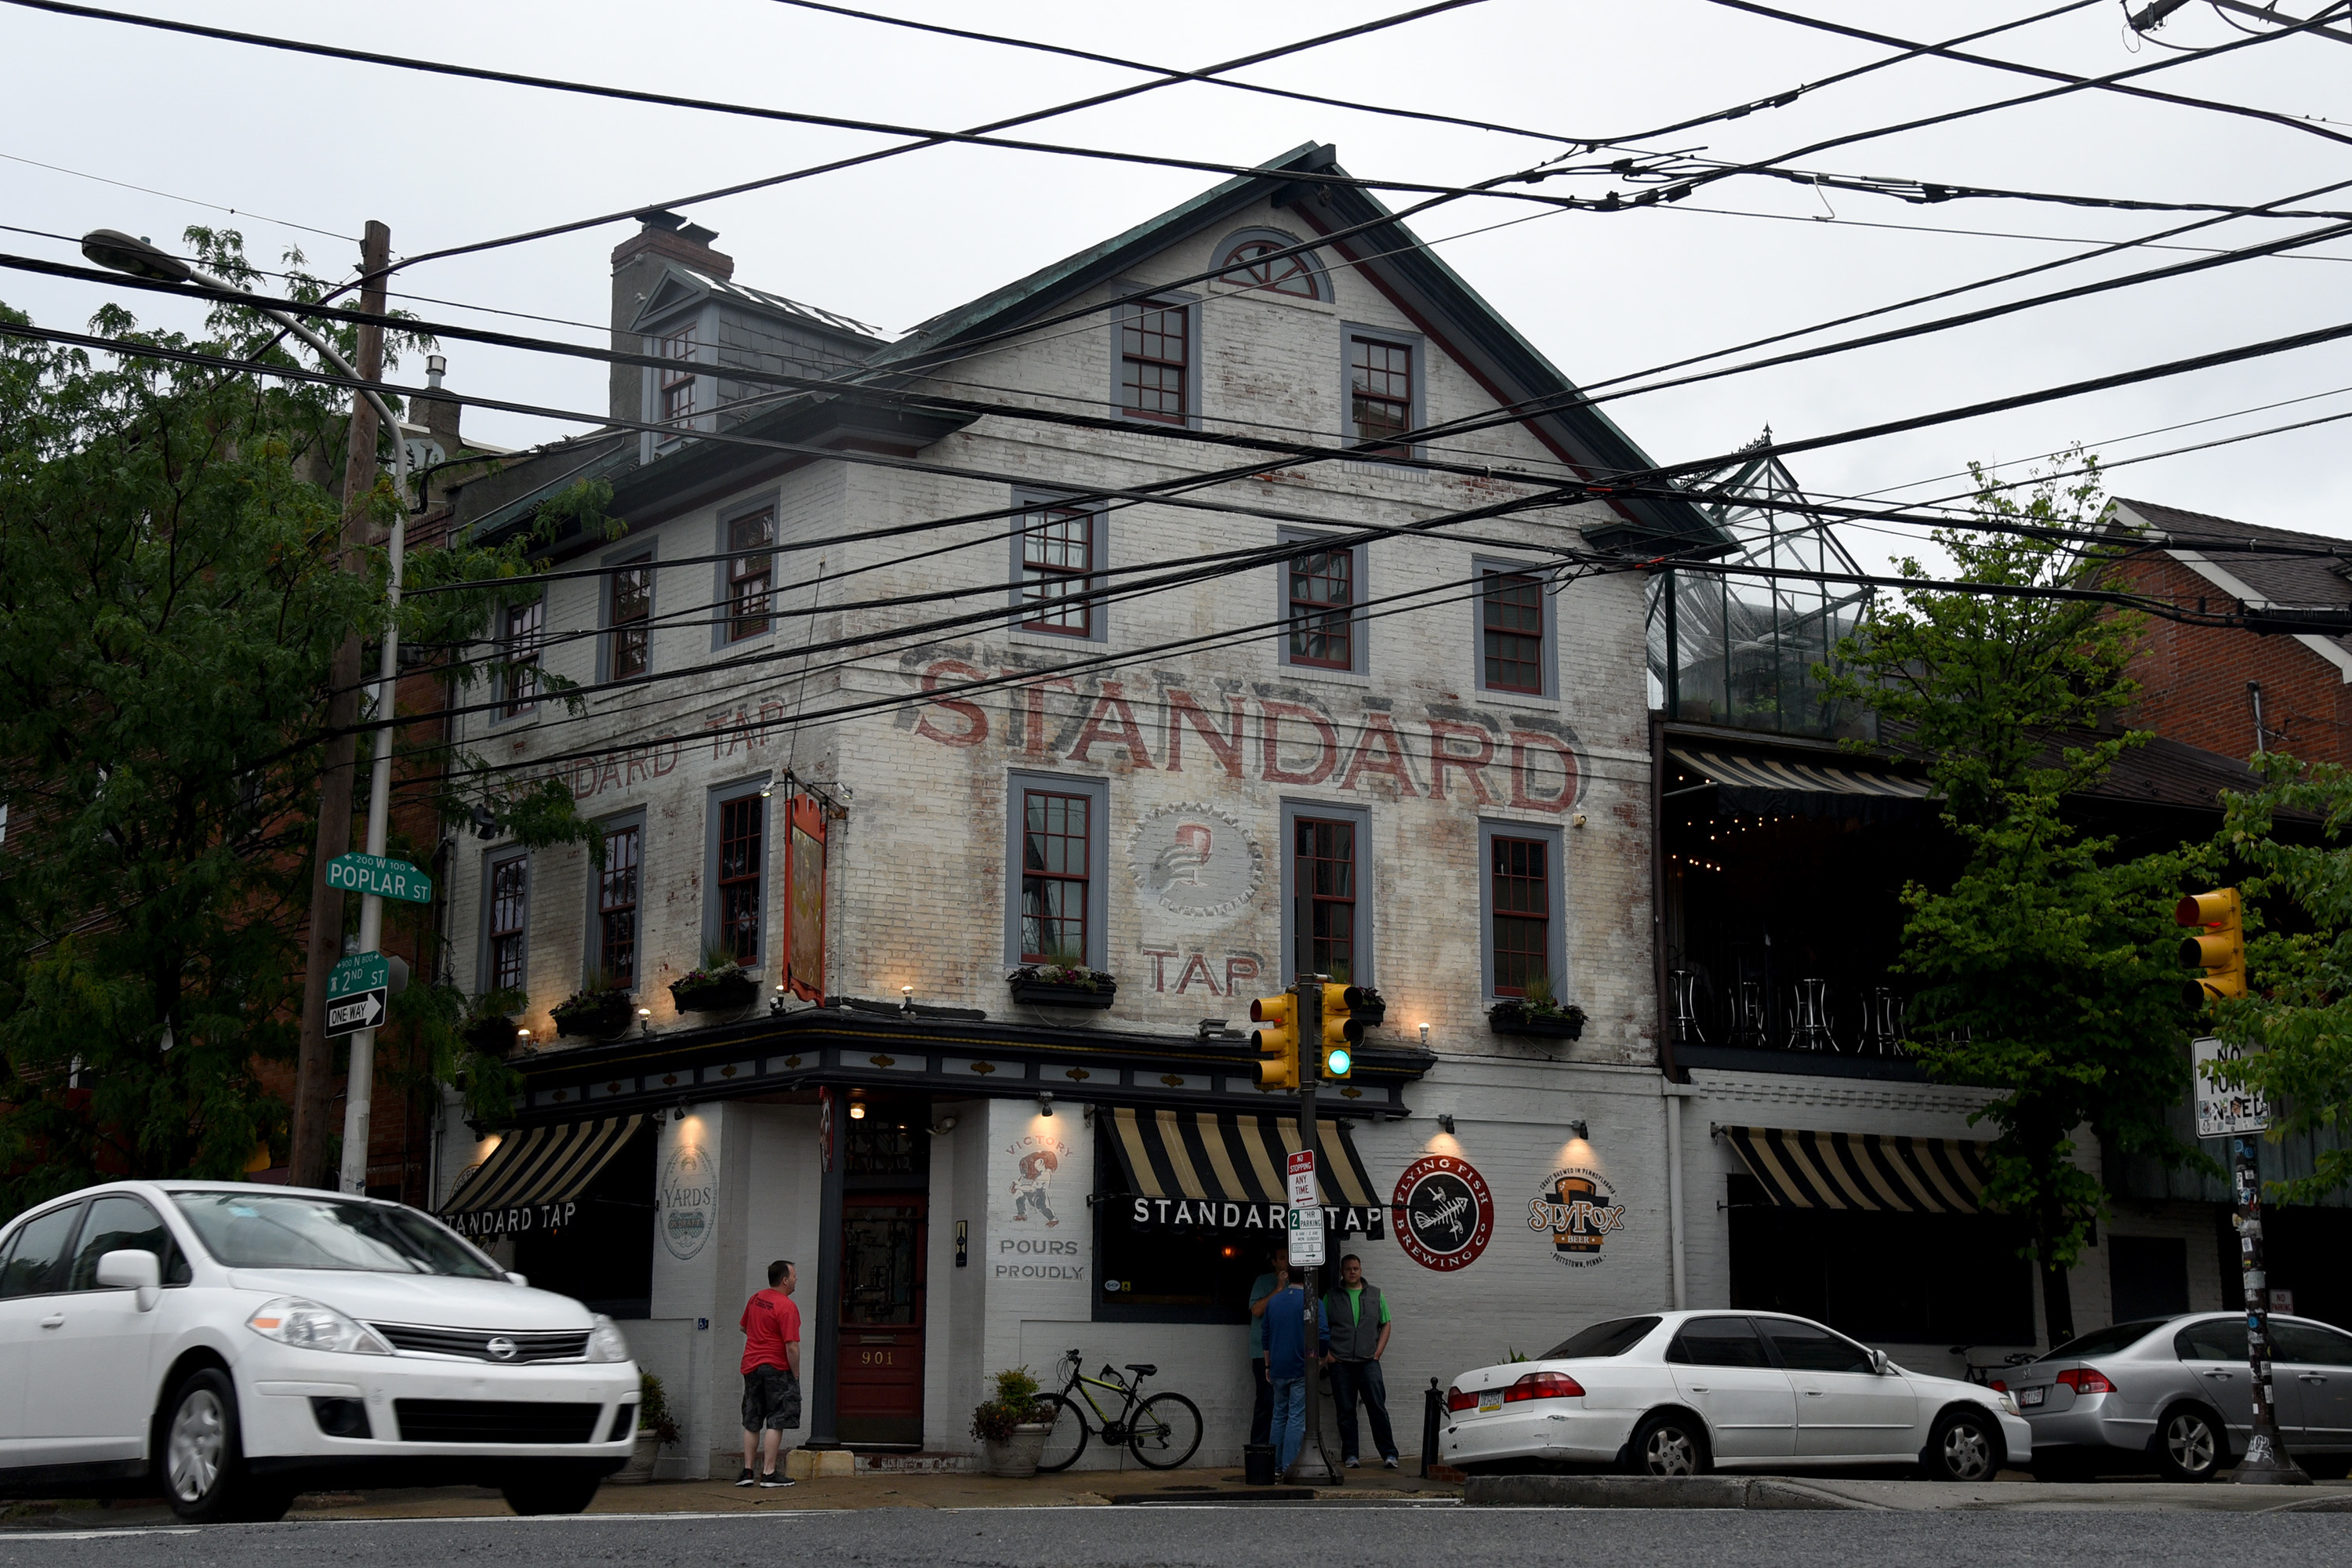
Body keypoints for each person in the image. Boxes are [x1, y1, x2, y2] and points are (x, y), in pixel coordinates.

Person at [1321, 1253, 1398, 1468]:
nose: (1353, 1272)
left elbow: (1386, 1323)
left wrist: (1378, 1352)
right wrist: (1327, 1355)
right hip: (1341, 1362)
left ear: (1361, 1270)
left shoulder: (1375, 1295)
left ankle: (1390, 1454)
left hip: (1368, 1362)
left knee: (1377, 1408)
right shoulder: (1332, 1296)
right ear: (1342, 1272)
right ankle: (1351, 1455)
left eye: (1356, 1268)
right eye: (1348, 1269)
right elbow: (1321, 1327)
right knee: (1346, 1411)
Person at [739, 1259, 801, 1487]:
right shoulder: (786, 1306)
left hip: (751, 1366)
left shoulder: (755, 1299)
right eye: (794, 1276)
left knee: (752, 1419)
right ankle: (769, 1472)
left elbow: (744, 1326)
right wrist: (795, 1374)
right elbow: (792, 1345)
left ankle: (747, 1472)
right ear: (784, 1280)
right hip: (776, 1367)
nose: (796, 1280)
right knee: (776, 1420)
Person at [1261, 1260, 1327, 1475]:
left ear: (1287, 1276)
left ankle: (1274, 1466)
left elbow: (1266, 1335)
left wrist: (1268, 1364)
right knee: (1296, 1417)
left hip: (1278, 1365)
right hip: (1301, 1367)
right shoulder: (1313, 1301)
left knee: (1279, 1415)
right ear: (1308, 1277)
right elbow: (1323, 1334)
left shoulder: (1274, 1302)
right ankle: (1290, 1465)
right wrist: (1322, 1357)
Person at [1246, 1251, 1290, 1448]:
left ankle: (1282, 1450)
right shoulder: (1263, 1281)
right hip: (1263, 1353)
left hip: (1289, 1351)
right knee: (1267, 1401)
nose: (1287, 1261)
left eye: (1290, 1256)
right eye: (1282, 1257)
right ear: (1273, 1262)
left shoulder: (1300, 1282)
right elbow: (1256, 1310)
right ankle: (1259, 1449)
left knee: (1289, 1403)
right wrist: (1278, 1289)